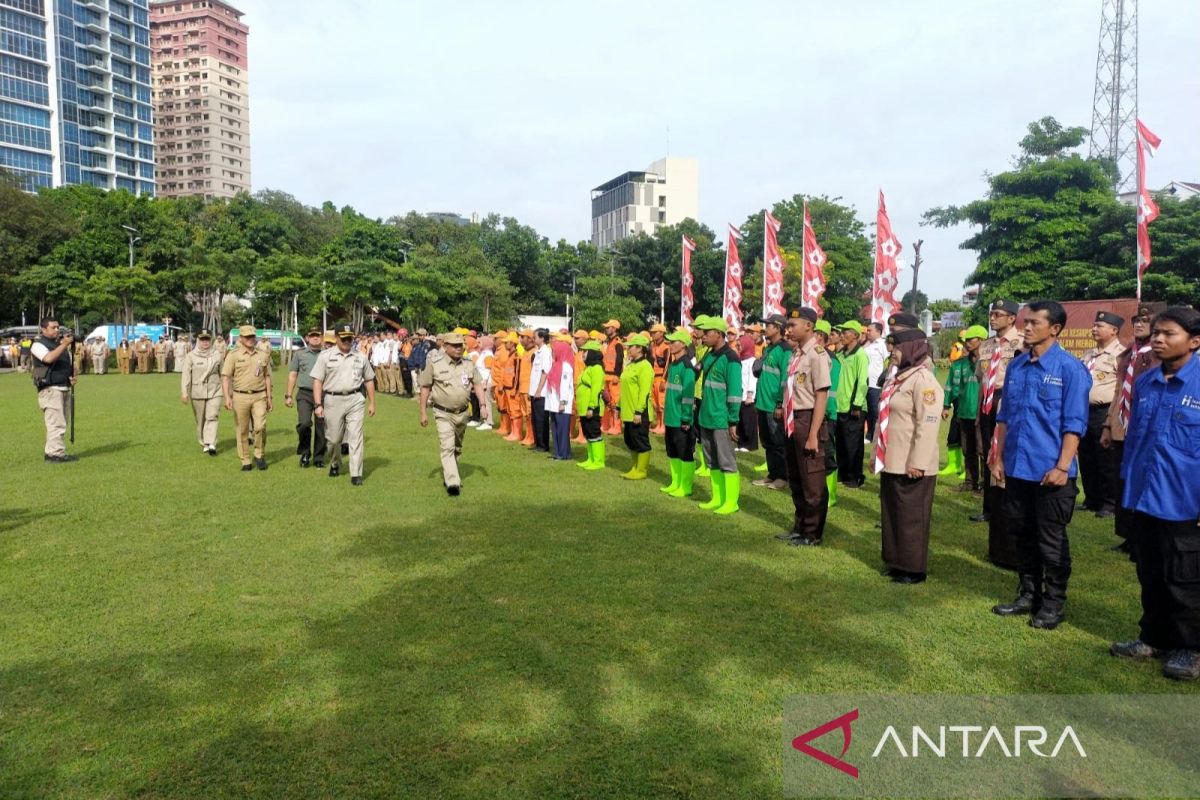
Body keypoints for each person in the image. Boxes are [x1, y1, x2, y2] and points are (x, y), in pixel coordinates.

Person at [1110, 306, 1200, 680]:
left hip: (1185, 501)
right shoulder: (1146, 382)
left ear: (1195, 341)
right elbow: (1136, 441)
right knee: (1150, 572)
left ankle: (1191, 649)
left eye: (1169, 334)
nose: (1158, 340)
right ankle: (1154, 637)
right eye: (1156, 333)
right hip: (1144, 496)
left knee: (1186, 578)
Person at [991, 300, 1090, 630]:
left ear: (1056, 328)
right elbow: (1004, 418)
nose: (1027, 327)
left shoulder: (1070, 369)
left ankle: (1053, 602)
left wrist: (1062, 466)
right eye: (1025, 322)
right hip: (1018, 468)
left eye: (1034, 322)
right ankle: (1028, 593)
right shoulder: (1017, 367)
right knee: (1021, 534)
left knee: (1051, 541)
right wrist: (998, 458)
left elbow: (1074, 424)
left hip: (1051, 473)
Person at [873, 328, 944, 582]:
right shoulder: (898, 377)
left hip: (912, 461)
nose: (892, 352)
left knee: (911, 515)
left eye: (897, 347)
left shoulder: (923, 380)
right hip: (893, 458)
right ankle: (895, 560)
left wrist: (919, 462)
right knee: (893, 512)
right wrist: (876, 454)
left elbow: (928, 423)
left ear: (913, 348)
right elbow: (883, 417)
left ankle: (912, 568)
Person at [1101, 305, 1160, 555]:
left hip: (1144, 427)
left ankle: (1142, 539)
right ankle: (1127, 535)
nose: (1138, 324)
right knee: (1122, 480)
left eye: (1145, 320)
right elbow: (1118, 392)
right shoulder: (1128, 354)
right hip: (1121, 425)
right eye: (1136, 320)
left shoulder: (1157, 355)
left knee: (1142, 480)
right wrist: (1107, 425)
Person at [776, 308, 830, 545]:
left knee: (812, 480)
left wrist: (813, 435)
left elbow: (821, 396)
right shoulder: (796, 354)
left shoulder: (816, 355)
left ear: (808, 326)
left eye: (793, 324)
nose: (789, 329)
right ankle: (799, 526)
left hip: (808, 418)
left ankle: (812, 533)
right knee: (796, 477)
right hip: (792, 420)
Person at [973, 299, 1023, 524]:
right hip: (987, 401)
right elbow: (980, 377)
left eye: (998, 314)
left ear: (1012, 318)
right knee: (987, 452)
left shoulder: (1021, 342)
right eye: (991, 314)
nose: (992, 318)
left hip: (1008, 399)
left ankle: (1007, 504)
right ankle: (989, 507)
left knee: (1003, 450)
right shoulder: (985, 345)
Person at [419, 331, 487, 496]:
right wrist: (423, 412)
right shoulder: (435, 363)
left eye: (460, 346)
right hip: (443, 413)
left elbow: (477, 384)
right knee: (447, 446)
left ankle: (449, 472)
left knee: (457, 447)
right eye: (455, 346)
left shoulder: (468, 364)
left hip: (463, 413)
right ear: (445, 346)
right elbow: (425, 387)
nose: (458, 349)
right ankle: (453, 483)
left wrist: (483, 405)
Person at [312, 323, 376, 485]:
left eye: (350, 338)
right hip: (333, 400)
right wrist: (318, 404)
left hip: (355, 399)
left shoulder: (360, 356)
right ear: (336, 338)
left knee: (355, 436)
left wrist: (372, 403)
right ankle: (335, 462)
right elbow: (318, 381)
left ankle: (356, 473)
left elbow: (369, 380)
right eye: (344, 338)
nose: (347, 341)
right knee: (334, 439)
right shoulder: (325, 356)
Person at [1078, 311, 1127, 518]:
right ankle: (1092, 498)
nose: (1094, 329)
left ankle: (1109, 502)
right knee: (1086, 456)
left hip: (1104, 411)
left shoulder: (1120, 355)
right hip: (1084, 410)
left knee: (1105, 458)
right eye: (1094, 325)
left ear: (1114, 331)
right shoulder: (1088, 354)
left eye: (1099, 326)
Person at [695, 316, 743, 514]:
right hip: (706, 415)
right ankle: (717, 497)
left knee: (726, 460)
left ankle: (731, 502)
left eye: (707, 333)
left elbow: (734, 392)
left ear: (719, 334)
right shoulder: (709, 355)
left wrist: (733, 420)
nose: (703, 336)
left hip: (721, 418)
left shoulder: (731, 358)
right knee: (711, 459)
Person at [221, 324, 273, 471]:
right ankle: (245, 460)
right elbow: (225, 377)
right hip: (240, 396)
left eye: (252, 336)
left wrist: (270, 398)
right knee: (242, 430)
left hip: (260, 395)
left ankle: (259, 454)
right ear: (241, 338)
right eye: (247, 337)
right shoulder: (233, 355)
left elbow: (267, 377)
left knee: (260, 427)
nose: (251, 339)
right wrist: (227, 397)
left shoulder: (262, 354)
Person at [943, 326, 987, 492]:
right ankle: (970, 482)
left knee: (982, 450)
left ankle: (984, 484)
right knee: (967, 449)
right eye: (965, 340)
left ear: (981, 340)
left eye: (970, 339)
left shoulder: (988, 362)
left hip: (982, 413)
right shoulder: (958, 364)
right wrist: (946, 405)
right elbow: (950, 386)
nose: (967, 343)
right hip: (963, 411)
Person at [752, 313, 791, 491]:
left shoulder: (785, 350)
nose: (765, 328)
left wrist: (779, 404)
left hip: (773, 405)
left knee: (778, 443)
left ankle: (782, 476)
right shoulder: (769, 349)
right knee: (767, 442)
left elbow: (785, 379)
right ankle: (772, 474)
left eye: (768, 325)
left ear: (777, 328)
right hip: (762, 403)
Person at [30, 317, 77, 462]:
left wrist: (72, 376)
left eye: (58, 327)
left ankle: (53, 451)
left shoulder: (60, 346)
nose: (57, 330)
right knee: (55, 423)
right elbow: (48, 358)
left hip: (63, 387)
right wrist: (64, 345)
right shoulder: (38, 345)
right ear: (44, 329)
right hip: (50, 389)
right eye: (53, 327)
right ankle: (55, 454)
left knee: (62, 422)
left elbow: (69, 366)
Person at [659, 329, 698, 496]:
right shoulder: (674, 364)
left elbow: (688, 396)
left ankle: (686, 486)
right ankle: (675, 482)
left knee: (685, 453)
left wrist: (686, 418)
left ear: (682, 344)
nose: (670, 344)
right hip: (670, 417)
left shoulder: (686, 366)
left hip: (681, 419)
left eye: (673, 342)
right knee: (672, 452)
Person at [284, 327, 328, 468]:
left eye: (318, 335)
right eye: (312, 335)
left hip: (323, 394)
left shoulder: (327, 354)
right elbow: (293, 374)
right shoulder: (300, 354)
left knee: (321, 426)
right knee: (304, 424)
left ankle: (319, 457)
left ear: (321, 338)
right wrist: (288, 395)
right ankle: (305, 452)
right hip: (304, 393)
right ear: (307, 338)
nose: (315, 338)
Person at [834, 320, 869, 488]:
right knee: (841, 442)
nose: (842, 335)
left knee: (853, 444)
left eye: (845, 332)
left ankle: (856, 477)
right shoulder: (841, 354)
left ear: (855, 335)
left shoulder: (860, 355)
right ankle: (843, 473)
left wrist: (857, 405)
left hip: (853, 407)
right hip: (839, 405)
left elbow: (863, 381)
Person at [618, 333, 655, 479]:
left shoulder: (645, 367)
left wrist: (639, 411)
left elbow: (644, 391)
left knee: (640, 440)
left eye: (630, 347)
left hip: (639, 412)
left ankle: (641, 470)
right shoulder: (631, 365)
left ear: (639, 348)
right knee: (630, 439)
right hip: (628, 410)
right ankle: (635, 467)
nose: (628, 349)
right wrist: (619, 405)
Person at [180, 330, 223, 455]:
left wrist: (228, 391)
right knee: (201, 419)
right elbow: (186, 375)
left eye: (207, 339)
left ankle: (211, 443)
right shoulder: (191, 356)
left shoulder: (217, 355)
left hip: (215, 391)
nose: (205, 342)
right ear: (198, 340)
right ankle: (204, 441)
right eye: (202, 339)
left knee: (212, 415)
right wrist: (184, 392)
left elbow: (224, 374)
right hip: (197, 392)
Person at [814, 320, 840, 507]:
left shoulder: (832, 359)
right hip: (813, 412)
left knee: (828, 454)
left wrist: (826, 412)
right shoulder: (811, 355)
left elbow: (831, 392)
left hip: (826, 415)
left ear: (820, 337)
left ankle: (831, 494)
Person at [575, 340, 607, 470]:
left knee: (594, 433)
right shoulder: (589, 367)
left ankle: (598, 461)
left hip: (592, 407)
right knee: (588, 433)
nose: (582, 354)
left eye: (585, 351)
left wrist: (591, 407)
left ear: (592, 353)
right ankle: (591, 458)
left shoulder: (597, 369)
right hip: (584, 407)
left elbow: (596, 389)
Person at [863, 321, 889, 441]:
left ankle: (874, 435)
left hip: (876, 385)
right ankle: (869, 434)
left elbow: (887, 362)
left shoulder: (882, 344)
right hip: (865, 383)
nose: (867, 332)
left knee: (874, 411)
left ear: (878, 332)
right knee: (867, 410)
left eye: (870, 330)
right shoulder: (868, 344)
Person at [529, 328, 553, 453]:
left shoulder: (545, 352)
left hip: (541, 393)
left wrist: (538, 390)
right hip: (534, 391)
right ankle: (537, 442)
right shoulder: (538, 352)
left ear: (542, 338)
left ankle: (543, 445)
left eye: (535, 337)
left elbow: (545, 372)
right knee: (535, 419)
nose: (533, 339)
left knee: (541, 419)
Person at [736, 331, 759, 453]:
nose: (738, 347)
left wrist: (750, 394)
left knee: (748, 421)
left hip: (748, 397)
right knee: (740, 420)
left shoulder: (752, 361)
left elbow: (753, 378)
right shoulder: (740, 359)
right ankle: (741, 443)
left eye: (740, 345)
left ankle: (750, 444)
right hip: (740, 395)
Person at [601, 320, 624, 436]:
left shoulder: (617, 343)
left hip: (613, 376)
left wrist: (617, 375)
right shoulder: (609, 343)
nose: (606, 329)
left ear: (614, 329)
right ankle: (609, 424)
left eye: (608, 327)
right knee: (607, 401)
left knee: (615, 402)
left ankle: (617, 426)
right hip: (606, 375)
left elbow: (619, 360)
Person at [649, 323, 669, 435]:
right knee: (655, 403)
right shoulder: (653, 346)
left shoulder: (666, 347)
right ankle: (658, 424)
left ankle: (663, 425)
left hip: (661, 377)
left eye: (655, 332)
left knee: (662, 403)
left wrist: (664, 380)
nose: (652, 334)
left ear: (661, 333)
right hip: (654, 377)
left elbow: (668, 364)